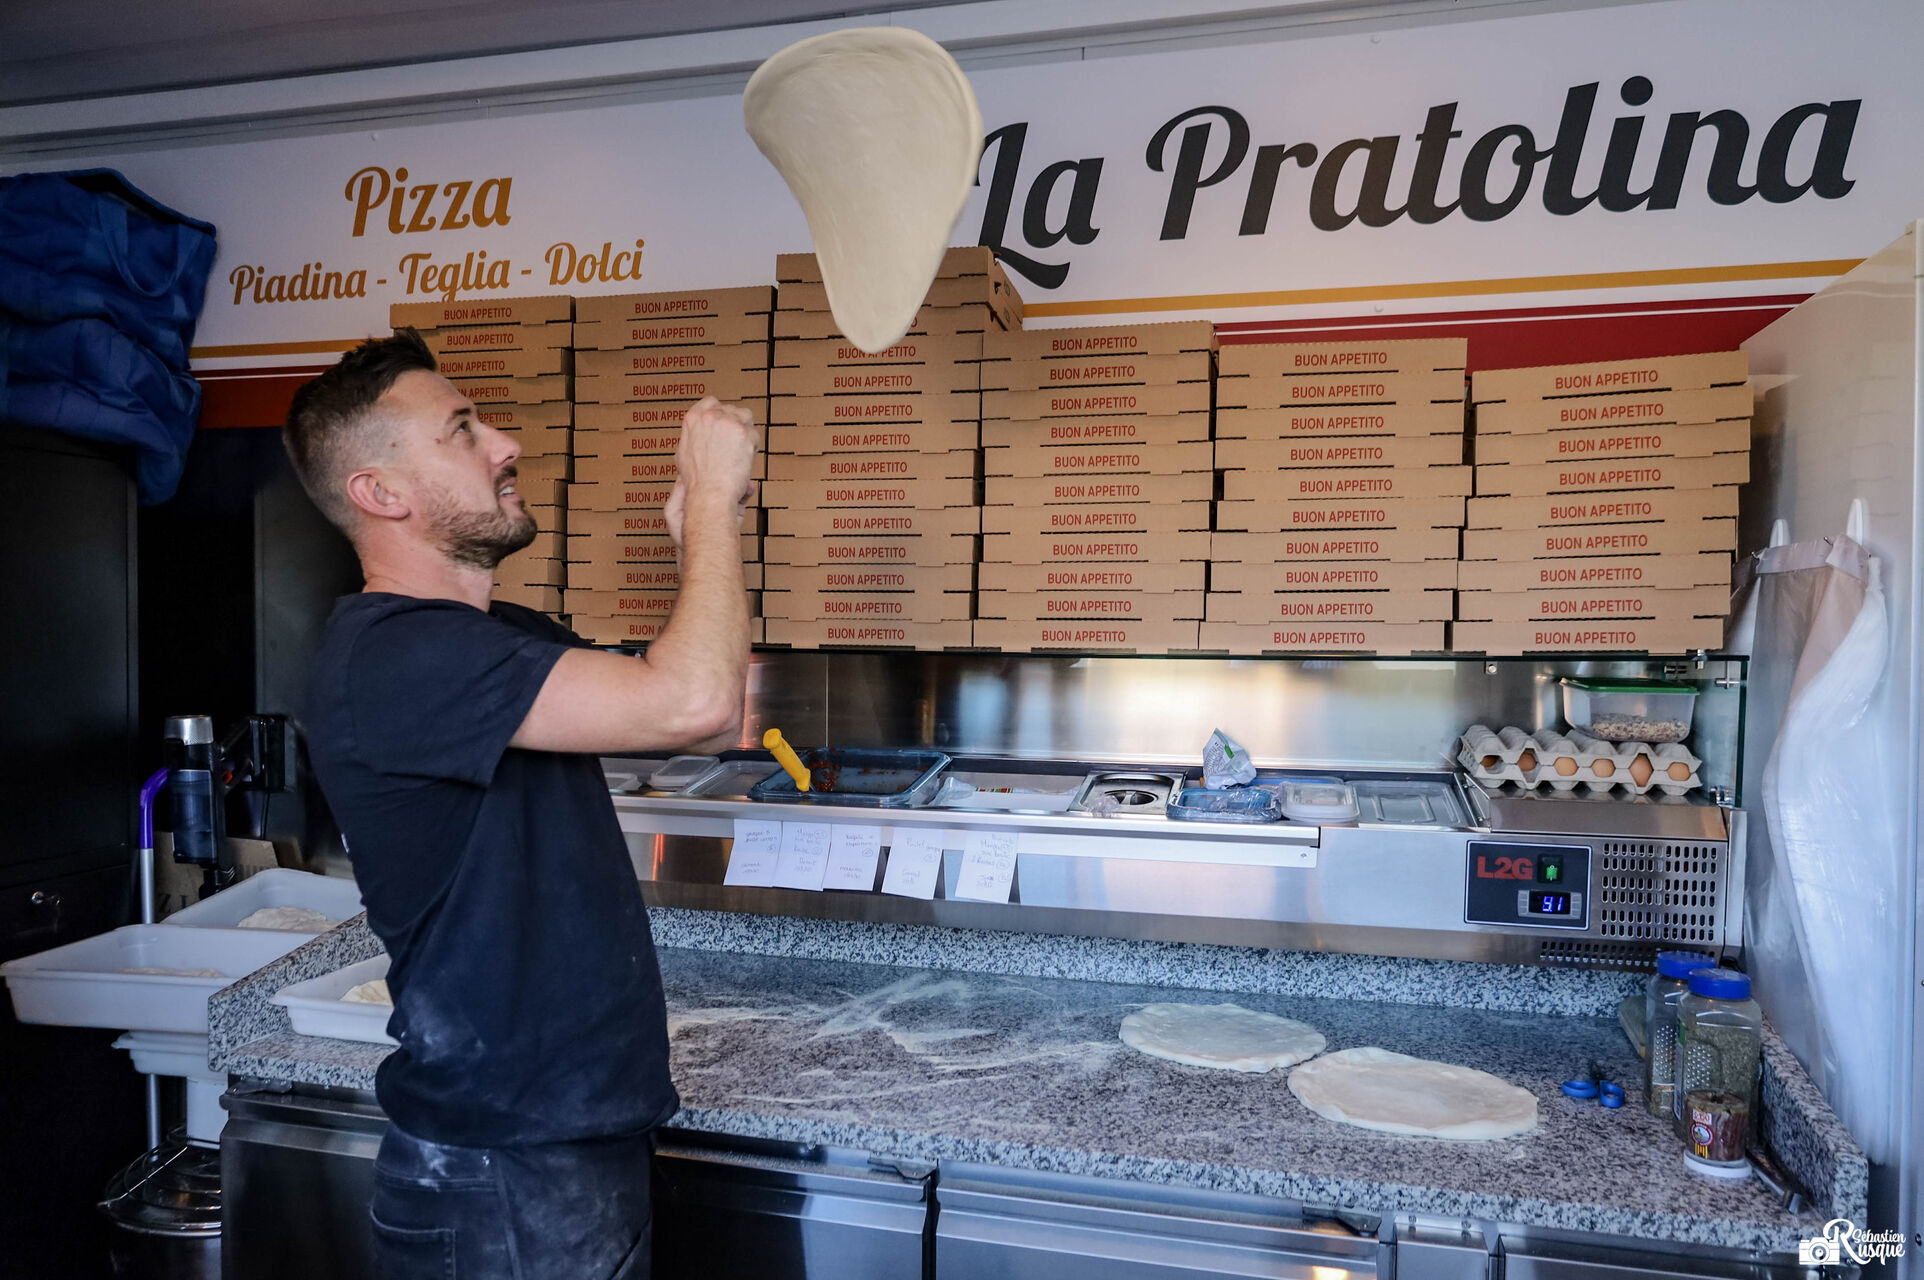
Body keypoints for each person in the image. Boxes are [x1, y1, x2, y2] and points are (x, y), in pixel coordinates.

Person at [283, 328, 758, 1280]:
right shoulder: (394, 657)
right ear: (382, 493)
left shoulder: (497, 637)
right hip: (498, 1174)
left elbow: (692, 708)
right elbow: (694, 702)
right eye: (461, 431)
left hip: (554, 1150)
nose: (505, 444)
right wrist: (713, 503)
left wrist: (688, 540)